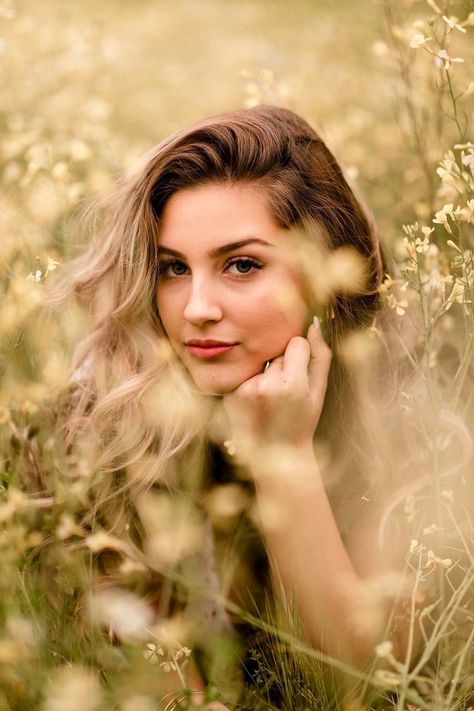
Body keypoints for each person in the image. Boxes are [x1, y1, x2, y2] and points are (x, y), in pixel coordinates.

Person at [52, 105, 429, 707]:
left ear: (328, 275)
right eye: (173, 268)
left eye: (242, 265)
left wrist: (284, 456)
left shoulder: (414, 422)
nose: (196, 307)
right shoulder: (117, 415)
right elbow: (165, 688)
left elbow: (363, 690)